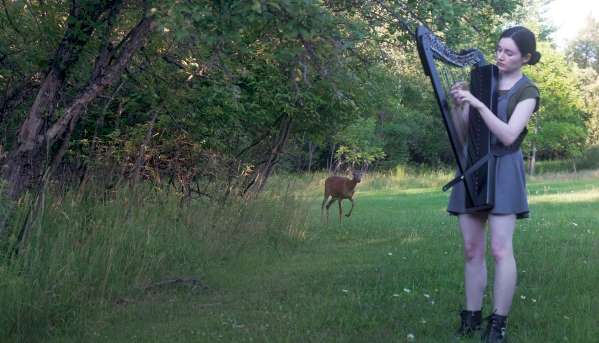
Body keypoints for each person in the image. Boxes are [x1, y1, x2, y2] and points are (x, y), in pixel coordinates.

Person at [447, 26, 541, 343]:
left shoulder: (528, 92)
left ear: (526, 57)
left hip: (504, 170)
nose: (501, 56)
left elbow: (509, 135)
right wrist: (459, 106)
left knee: (501, 250)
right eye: (499, 49)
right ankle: (471, 315)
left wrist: (478, 103)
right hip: (473, 167)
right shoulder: (482, 80)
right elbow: (463, 135)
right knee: (472, 249)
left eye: (509, 52)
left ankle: (497, 323)